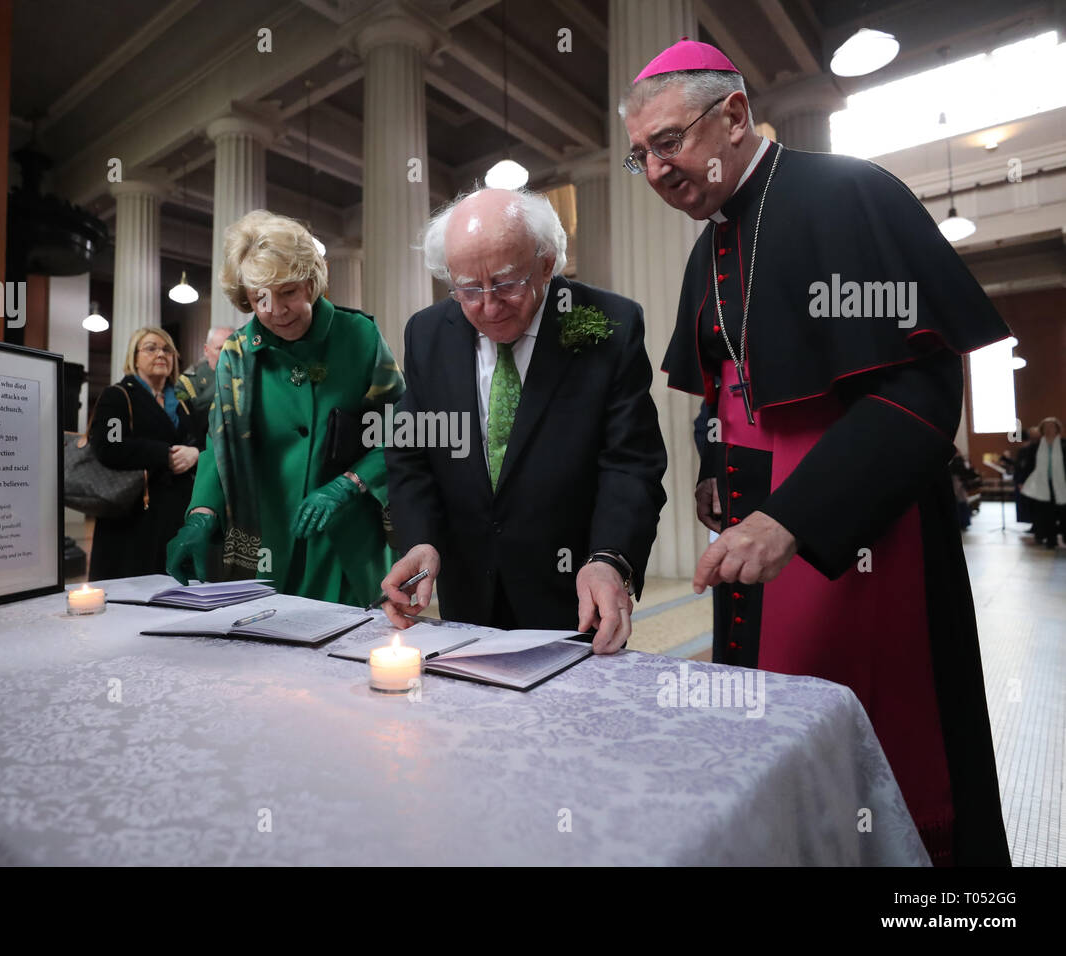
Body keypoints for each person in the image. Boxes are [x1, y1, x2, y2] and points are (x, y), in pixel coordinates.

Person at [623, 38, 1011, 865]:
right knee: (774, 746)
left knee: (867, 746)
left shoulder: (852, 194)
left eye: (667, 143)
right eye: (638, 157)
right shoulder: (710, 246)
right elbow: (724, 384)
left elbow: (921, 393)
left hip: (855, 539)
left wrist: (791, 517)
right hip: (757, 544)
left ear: (733, 115)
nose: (655, 171)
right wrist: (710, 468)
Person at [380, 188, 668, 655]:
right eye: (468, 289)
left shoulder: (610, 324)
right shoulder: (427, 334)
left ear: (547, 263)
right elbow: (412, 453)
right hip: (469, 589)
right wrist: (420, 540)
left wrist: (610, 559)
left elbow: (631, 462)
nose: (489, 307)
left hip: (575, 590)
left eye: (508, 283)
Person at [165, 210, 404, 604]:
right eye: (260, 297)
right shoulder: (236, 355)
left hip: (346, 538)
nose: (275, 310)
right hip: (265, 537)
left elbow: (399, 428)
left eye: (288, 292)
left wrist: (349, 483)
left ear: (312, 283)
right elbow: (218, 445)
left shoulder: (358, 336)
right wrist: (201, 514)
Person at [88, 326, 202, 579]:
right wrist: (164, 454)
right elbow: (110, 445)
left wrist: (194, 454)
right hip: (132, 515)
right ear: (134, 357)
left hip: (175, 511)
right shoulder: (118, 396)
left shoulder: (183, 401)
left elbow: (201, 441)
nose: (161, 354)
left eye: (167, 349)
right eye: (151, 348)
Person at [176, 324, 234, 423]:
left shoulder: (249, 374)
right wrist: (224, 377)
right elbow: (193, 417)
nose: (227, 354)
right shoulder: (186, 382)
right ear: (206, 350)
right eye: (220, 349)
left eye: (232, 349)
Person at [1021, 416, 1065, 547]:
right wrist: (1022, 481)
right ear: (1042, 429)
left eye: (1052, 426)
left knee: (1063, 512)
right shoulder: (1035, 447)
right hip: (1042, 484)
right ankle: (1050, 540)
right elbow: (1028, 466)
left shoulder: (1064, 444)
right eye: (1046, 427)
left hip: (1062, 484)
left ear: (1057, 429)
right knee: (1046, 514)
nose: (1049, 429)